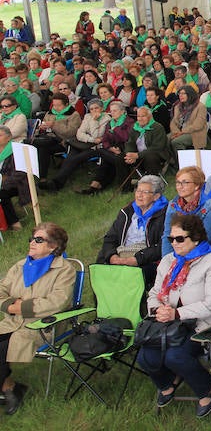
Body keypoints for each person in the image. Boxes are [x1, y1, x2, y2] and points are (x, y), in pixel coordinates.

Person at [138, 214, 211, 418]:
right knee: (145, 356)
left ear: (195, 238)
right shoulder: (169, 261)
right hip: (168, 323)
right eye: (171, 239)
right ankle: (167, 383)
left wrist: (177, 313)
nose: (174, 243)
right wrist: (157, 310)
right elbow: (154, 293)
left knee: (175, 355)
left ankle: (208, 388)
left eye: (180, 239)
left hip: (203, 324)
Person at [0, 222, 75, 415]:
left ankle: (9, 390)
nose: (32, 242)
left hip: (43, 326)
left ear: (53, 246)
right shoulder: (20, 266)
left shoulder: (64, 270)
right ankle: (9, 387)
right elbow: (1, 290)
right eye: (32, 238)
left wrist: (22, 307)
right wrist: (9, 305)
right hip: (13, 321)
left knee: (1, 348)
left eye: (39, 239)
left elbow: (57, 302)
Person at [96, 175, 168, 288]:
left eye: (145, 192)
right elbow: (110, 238)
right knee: (101, 272)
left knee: (128, 278)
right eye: (138, 190)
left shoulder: (166, 214)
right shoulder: (127, 212)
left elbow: (163, 246)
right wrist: (112, 256)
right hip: (121, 255)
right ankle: (106, 305)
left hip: (147, 260)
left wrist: (136, 259)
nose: (139, 195)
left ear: (156, 196)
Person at [32, 92, 82, 177]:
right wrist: (41, 128)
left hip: (63, 141)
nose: (56, 108)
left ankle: (31, 142)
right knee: (44, 148)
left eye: (59, 105)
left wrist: (54, 125)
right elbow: (42, 127)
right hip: (48, 138)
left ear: (66, 104)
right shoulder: (50, 113)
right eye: (54, 105)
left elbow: (70, 132)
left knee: (42, 145)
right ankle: (42, 176)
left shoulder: (74, 115)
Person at [169, 86, 208, 150]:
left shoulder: (200, 107)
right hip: (178, 131)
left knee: (176, 142)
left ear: (190, 95)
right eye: (179, 94)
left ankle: (182, 159)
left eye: (183, 93)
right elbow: (173, 122)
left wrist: (182, 132)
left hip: (194, 133)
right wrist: (176, 132)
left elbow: (198, 125)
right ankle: (171, 158)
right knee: (165, 139)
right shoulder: (178, 106)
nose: (180, 96)